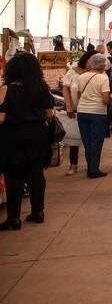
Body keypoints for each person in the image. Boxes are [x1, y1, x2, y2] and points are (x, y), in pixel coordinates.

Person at [0, 53, 55, 230]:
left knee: (13, 176)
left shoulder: (7, 89)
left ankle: (14, 218)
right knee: (36, 174)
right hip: (38, 135)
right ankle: (38, 211)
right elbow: (49, 114)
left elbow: (1, 117)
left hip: (13, 136)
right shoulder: (41, 87)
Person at [77, 54, 112, 178]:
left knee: (87, 142)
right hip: (97, 113)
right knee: (96, 141)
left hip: (82, 111)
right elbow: (105, 99)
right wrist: (110, 99)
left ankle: (90, 167)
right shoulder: (103, 78)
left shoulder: (81, 77)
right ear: (103, 65)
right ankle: (94, 169)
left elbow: (79, 95)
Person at [62, 52, 93, 176]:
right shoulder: (73, 71)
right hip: (75, 109)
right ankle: (73, 164)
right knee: (74, 138)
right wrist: (69, 106)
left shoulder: (96, 72)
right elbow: (65, 88)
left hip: (90, 109)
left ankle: (92, 164)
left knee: (91, 139)